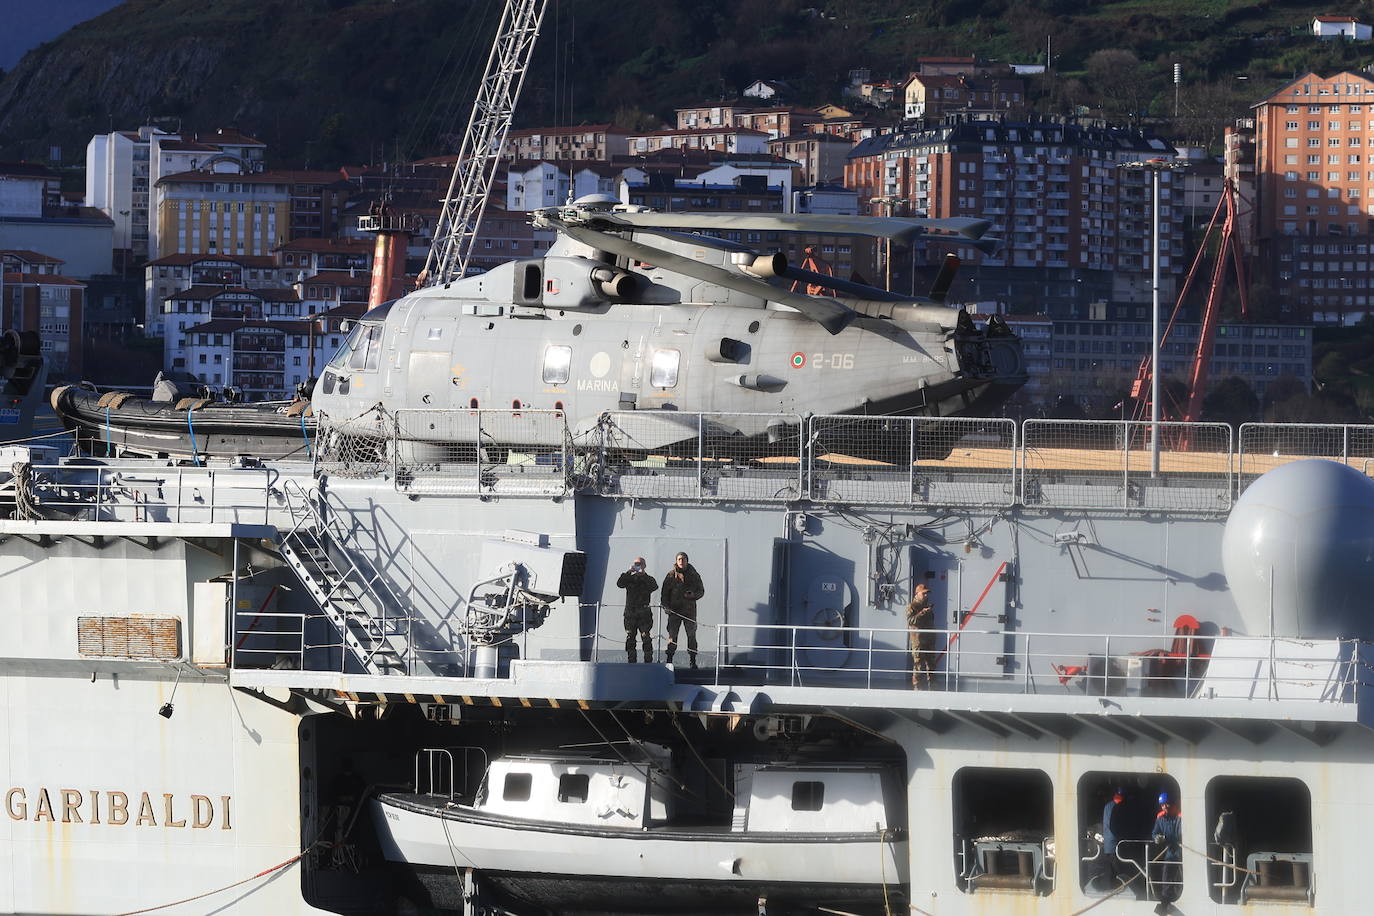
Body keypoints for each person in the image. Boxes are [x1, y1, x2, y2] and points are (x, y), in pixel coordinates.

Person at [661, 552, 705, 668]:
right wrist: (666, 607)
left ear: (687, 561)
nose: (681, 561)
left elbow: (701, 591)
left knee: (691, 635)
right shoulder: (671, 575)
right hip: (674, 611)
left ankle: (692, 660)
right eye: (679, 559)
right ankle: (669, 660)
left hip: (689, 612)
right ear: (676, 561)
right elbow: (664, 594)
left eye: (683, 559)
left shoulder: (694, 575)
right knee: (672, 636)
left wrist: (693, 595)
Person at [616, 557, 657, 663]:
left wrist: (643, 575)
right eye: (636, 563)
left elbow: (654, 586)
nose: (638, 565)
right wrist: (629, 572)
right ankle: (631, 661)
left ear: (644, 565)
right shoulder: (629, 578)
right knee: (630, 638)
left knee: (646, 637)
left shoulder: (649, 579)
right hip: (630, 614)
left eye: (640, 563)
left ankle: (648, 661)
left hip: (644, 615)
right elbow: (620, 583)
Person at [1151, 792, 1182, 914]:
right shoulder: (1161, 817)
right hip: (1170, 852)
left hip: (1181, 851)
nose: (1164, 807)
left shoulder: (1180, 816)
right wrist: (1157, 838)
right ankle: (1166, 901)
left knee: (1180, 874)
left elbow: (1181, 834)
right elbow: (1154, 832)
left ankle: (1177, 896)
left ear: (1172, 804)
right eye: (1162, 805)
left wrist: (1167, 838)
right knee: (1167, 873)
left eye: (1166, 804)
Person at [906, 582, 936, 688]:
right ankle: (917, 687)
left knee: (931, 664)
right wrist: (922, 612)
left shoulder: (927, 606)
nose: (926, 595)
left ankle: (933, 687)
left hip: (929, 640)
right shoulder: (912, 606)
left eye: (927, 593)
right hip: (918, 641)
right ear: (917, 594)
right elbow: (911, 620)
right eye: (924, 594)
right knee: (918, 665)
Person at [1101, 787, 1129, 888]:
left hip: (1108, 844)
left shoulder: (1107, 806)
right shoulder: (1118, 807)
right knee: (1118, 871)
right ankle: (1118, 888)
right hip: (1116, 844)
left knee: (1109, 871)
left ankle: (1110, 887)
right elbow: (1115, 826)